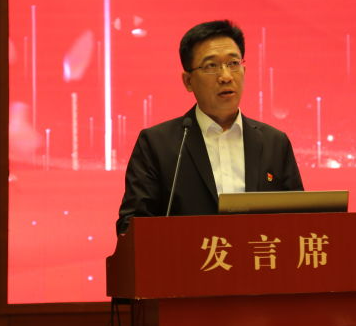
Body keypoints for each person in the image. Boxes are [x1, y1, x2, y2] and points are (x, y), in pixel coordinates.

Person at [116, 20, 303, 234]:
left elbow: (300, 220)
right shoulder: (157, 144)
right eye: (211, 66)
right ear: (188, 81)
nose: (226, 76)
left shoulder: (274, 143)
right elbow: (130, 226)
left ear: (244, 70)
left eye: (233, 63)